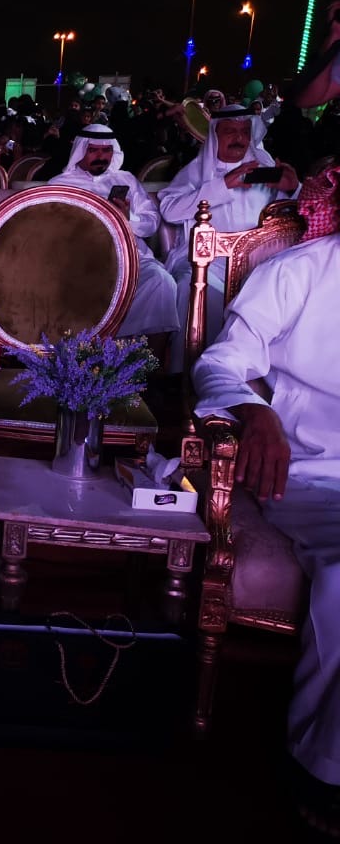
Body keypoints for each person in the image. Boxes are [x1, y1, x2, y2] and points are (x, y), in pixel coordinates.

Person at [192, 232, 340, 835]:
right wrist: (256, 412)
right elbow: (220, 363)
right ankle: (322, 768)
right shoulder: (302, 270)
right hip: (315, 475)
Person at [158, 105, 300, 350]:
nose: (239, 138)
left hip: (259, 264)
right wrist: (222, 185)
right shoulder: (197, 171)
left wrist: (293, 189)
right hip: (209, 263)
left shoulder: (264, 168)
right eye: (230, 131)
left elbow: (294, 217)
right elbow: (170, 210)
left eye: (244, 131)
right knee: (189, 287)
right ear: (215, 135)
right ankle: (189, 367)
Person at [48, 124, 179, 361]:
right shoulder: (60, 184)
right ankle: (91, 365)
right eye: (94, 150)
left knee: (162, 282)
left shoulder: (126, 180)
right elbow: (49, 231)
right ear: (81, 151)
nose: (101, 156)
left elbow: (151, 223)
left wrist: (127, 218)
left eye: (106, 150)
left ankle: (149, 366)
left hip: (131, 257)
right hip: (81, 263)